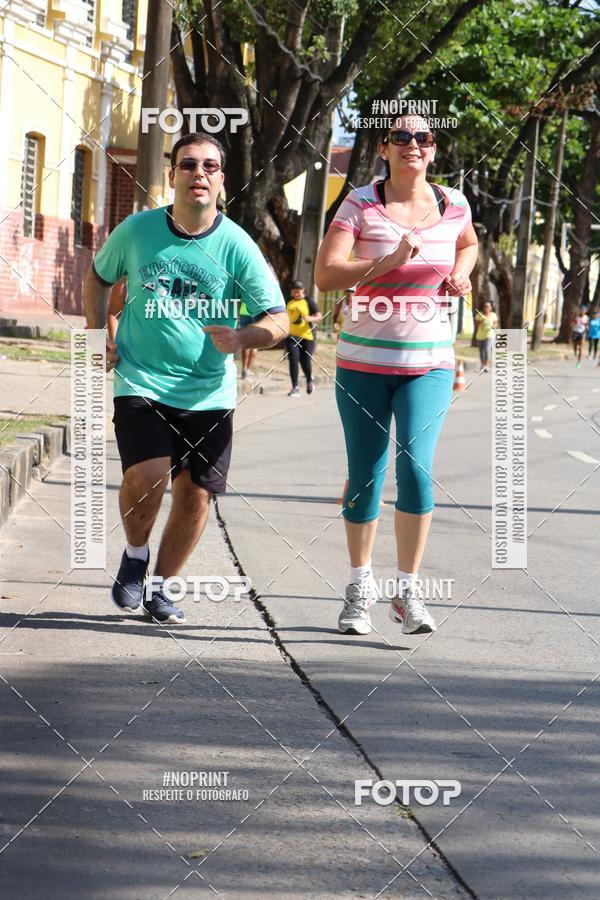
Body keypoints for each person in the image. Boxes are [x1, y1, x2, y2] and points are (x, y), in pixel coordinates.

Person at [83, 132, 289, 624]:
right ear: (172, 174)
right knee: (148, 476)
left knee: (196, 494)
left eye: (210, 166)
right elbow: (98, 279)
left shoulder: (237, 245)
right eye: (189, 164)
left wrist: (242, 338)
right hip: (142, 379)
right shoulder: (137, 231)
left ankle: (161, 587)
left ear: (222, 179)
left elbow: (279, 320)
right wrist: (94, 338)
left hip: (208, 392)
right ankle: (135, 555)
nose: (199, 173)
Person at [315, 115, 478, 636]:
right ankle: (359, 586)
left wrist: (461, 274)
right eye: (401, 137)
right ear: (383, 148)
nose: (413, 144)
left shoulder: (454, 203)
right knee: (365, 475)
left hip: (429, 365)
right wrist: (387, 262)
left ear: (433, 150)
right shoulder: (360, 203)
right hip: (362, 364)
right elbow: (325, 274)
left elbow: (468, 244)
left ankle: (407, 592)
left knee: (417, 469)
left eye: (423, 138)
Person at [286, 279, 322, 396]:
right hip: (291, 336)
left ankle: (309, 380)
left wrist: (310, 319)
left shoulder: (308, 301)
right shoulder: (288, 300)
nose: (296, 294)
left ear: (303, 291)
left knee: (305, 361)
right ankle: (295, 387)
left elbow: (319, 317)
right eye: (294, 291)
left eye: (299, 291)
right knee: (293, 359)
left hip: (306, 337)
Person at [475, 300, 497, 372]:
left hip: (489, 335)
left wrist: (494, 326)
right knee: (481, 351)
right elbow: (477, 324)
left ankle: (487, 365)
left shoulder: (493, 315)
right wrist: (483, 319)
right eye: (484, 307)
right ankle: (483, 365)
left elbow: (495, 323)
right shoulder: (479, 315)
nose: (486, 308)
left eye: (487, 307)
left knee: (487, 350)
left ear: (490, 308)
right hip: (480, 335)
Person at [238, 300, 258, 379]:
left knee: (245, 342)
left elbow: (239, 300)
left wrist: (238, 314)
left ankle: (244, 369)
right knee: (255, 344)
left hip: (243, 312)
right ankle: (248, 370)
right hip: (256, 313)